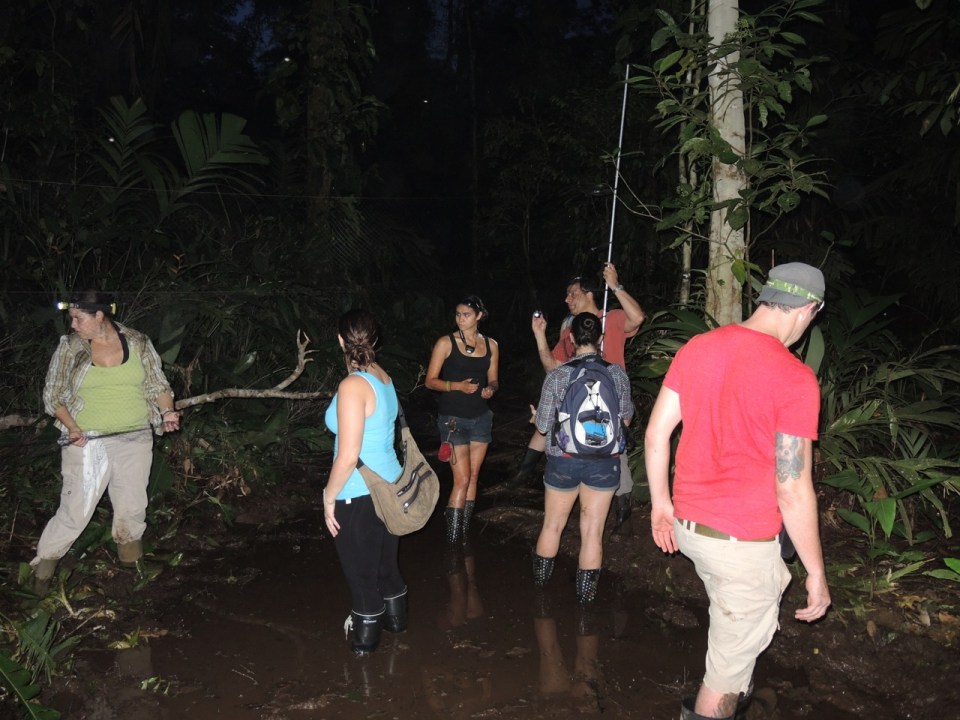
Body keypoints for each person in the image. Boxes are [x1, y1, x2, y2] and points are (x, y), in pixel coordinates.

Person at [644, 262, 832, 720]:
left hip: (690, 528)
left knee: (731, 639)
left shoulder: (698, 347)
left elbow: (656, 434)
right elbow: (791, 488)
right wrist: (816, 573)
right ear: (808, 310)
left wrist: (661, 506)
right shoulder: (795, 378)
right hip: (741, 546)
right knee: (723, 678)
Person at [30, 290, 181, 590]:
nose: (73, 324)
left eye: (78, 318)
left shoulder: (137, 342)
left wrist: (168, 411)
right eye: (71, 318)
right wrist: (72, 427)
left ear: (99, 315)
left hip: (136, 437)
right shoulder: (71, 348)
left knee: (132, 506)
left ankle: (132, 571)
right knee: (75, 512)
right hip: (87, 443)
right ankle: (39, 578)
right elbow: (53, 395)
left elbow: (157, 384)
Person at [512, 263, 644, 529]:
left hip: (610, 404)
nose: (567, 299)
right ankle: (522, 479)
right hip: (576, 406)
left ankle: (622, 510)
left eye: (573, 293)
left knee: (615, 454)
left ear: (589, 294)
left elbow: (638, 318)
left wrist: (615, 284)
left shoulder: (613, 319)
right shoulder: (568, 331)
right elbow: (553, 368)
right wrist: (539, 336)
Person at [530, 313, 633, 604]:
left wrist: (538, 418)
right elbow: (625, 419)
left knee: (552, 525)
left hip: (563, 459)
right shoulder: (616, 374)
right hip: (604, 462)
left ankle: (540, 596)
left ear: (571, 339)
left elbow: (542, 426)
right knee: (592, 533)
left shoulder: (558, 375)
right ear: (600, 339)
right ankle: (585, 603)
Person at [323, 309, 407, 655]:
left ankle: (365, 644)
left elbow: (348, 453)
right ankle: (398, 622)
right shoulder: (381, 377)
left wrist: (329, 496)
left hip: (357, 493)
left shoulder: (352, 385)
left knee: (360, 573)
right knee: (386, 564)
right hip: (389, 484)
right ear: (374, 340)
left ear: (341, 340)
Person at [425, 295, 500, 543]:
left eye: (465, 314)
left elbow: (494, 379)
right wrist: (457, 385)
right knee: (463, 479)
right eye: (457, 314)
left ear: (479, 316)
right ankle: (453, 541)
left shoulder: (491, 345)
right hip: (453, 420)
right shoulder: (446, 343)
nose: (460, 319)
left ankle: (463, 533)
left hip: (480, 417)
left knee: (474, 477)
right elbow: (430, 381)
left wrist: (491, 389)